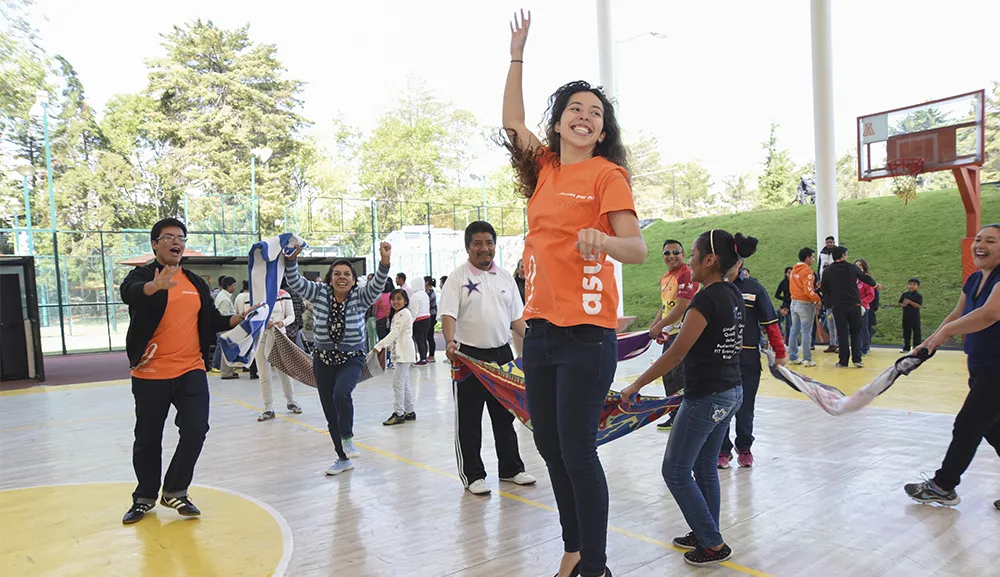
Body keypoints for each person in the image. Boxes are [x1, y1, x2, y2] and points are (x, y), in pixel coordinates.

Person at [500, 11, 648, 577]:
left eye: (595, 113)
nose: (585, 117)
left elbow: (634, 248)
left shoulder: (608, 176)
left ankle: (595, 565)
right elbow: (512, 119)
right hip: (539, 332)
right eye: (574, 110)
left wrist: (603, 240)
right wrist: (517, 56)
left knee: (579, 451)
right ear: (559, 123)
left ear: (603, 130)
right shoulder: (545, 169)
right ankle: (573, 547)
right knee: (551, 448)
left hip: (587, 335)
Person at [623, 230, 757, 566]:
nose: (689, 261)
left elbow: (676, 354)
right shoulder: (732, 293)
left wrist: (634, 386)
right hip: (731, 392)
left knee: (675, 470)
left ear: (710, 260)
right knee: (703, 467)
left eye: (694, 254)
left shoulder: (705, 299)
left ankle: (712, 543)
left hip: (707, 398)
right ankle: (704, 531)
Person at [120, 218, 258, 524]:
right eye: (168, 237)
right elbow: (128, 292)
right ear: (154, 244)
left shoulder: (195, 282)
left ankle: (175, 491)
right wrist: (155, 286)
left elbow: (210, 319)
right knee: (147, 438)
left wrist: (237, 319)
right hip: (150, 371)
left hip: (190, 369)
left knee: (196, 429)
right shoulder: (141, 276)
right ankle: (144, 496)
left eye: (180, 237)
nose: (176, 242)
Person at [904, 224, 1000, 510]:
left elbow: (989, 314)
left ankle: (943, 485)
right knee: (992, 429)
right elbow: (959, 313)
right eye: (979, 239)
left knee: (968, 424)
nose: (980, 244)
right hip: (980, 364)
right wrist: (929, 342)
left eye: (991, 241)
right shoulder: (974, 280)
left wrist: (944, 335)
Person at [440, 221, 535, 495]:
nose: (485, 249)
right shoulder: (458, 277)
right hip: (468, 357)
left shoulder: (505, 276)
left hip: (502, 356)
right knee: (469, 419)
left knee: (506, 415)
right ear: (468, 247)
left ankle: (511, 469)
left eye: (489, 243)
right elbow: (448, 315)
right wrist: (449, 341)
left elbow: (517, 318)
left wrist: (535, 342)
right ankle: (473, 475)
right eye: (478, 244)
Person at [285, 242, 392, 475]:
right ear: (329, 278)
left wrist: (384, 262)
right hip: (322, 361)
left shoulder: (360, 297)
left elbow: (377, 285)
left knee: (342, 393)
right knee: (330, 410)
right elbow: (295, 282)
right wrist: (292, 261)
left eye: (346, 274)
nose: (341, 278)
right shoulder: (320, 292)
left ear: (353, 279)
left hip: (351, 358)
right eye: (337, 274)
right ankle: (343, 457)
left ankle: (348, 437)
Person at [719, 259, 787, 469]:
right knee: (720, 408)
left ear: (738, 262)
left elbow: (770, 323)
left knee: (745, 407)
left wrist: (780, 351)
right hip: (719, 362)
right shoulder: (713, 287)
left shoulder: (754, 288)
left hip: (748, 362)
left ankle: (745, 447)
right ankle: (722, 449)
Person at [648, 239, 698, 431]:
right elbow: (665, 307)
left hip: (683, 334)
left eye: (675, 252)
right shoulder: (666, 277)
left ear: (683, 254)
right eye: (667, 253)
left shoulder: (687, 274)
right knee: (668, 375)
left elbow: (682, 306)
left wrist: (659, 326)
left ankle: (685, 418)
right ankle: (675, 416)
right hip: (670, 335)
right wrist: (654, 327)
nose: (671, 256)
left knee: (680, 376)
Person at [819, 247, 876, 368]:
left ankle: (843, 361)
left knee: (842, 333)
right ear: (843, 255)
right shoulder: (852, 267)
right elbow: (865, 277)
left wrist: (831, 295)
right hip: (854, 303)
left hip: (838, 305)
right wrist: (875, 284)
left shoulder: (828, 271)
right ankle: (857, 359)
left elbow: (824, 289)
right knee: (855, 332)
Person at [256, 285, 302, 421]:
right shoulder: (255, 295)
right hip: (261, 339)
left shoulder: (284, 294)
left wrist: (283, 322)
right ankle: (268, 408)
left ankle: (291, 401)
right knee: (264, 374)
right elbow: (248, 317)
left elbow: (292, 315)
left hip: (280, 338)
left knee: (284, 372)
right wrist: (263, 323)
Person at [375, 289, 416, 425]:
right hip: (402, 352)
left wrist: (380, 345)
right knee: (404, 383)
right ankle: (409, 411)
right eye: (393, 299)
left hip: (403, 353)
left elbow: (395, 333)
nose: (395, 302)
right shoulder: (400, 314)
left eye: (399, 299)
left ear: (405, 300)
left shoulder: (403, 314)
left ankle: (398, 414)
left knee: (398, 383)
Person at [788, 248, 821, 366]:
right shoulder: (807, 271)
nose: (813, 259)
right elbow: (808, 290)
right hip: (805, 303)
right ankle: (807, 358)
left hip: (794, 302)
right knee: (806, 331)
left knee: (794, 330)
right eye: (812, 257)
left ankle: (792, 356)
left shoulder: (793, 271)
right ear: (807, 257)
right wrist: (817, 299)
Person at [213, 276, 239, 379]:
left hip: (226, 328)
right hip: (225, 329)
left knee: (226, 350)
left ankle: (229, 371)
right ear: (228, 286)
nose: (235, 287)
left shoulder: (224, 296)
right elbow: (224, 316)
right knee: (226, 350)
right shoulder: (224, 299)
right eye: (233, 285)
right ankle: (226, 373)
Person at [854, 258, 876, 355]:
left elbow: (871, 295)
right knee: (855, 328)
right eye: (856, 265)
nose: (857, 267)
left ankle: (865, 347)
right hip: (854, 306)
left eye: (859, 265)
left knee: (863, 327)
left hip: (863, 307)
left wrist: (861, 303)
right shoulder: (854, 278)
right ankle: (857, 347)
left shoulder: (866, 279)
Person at [900, 278, 923, 352]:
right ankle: (906, 347)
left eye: (914, 284)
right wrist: (903, 304)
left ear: (917, 287)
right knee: (906, 332)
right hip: (906, 316)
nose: (911, 286)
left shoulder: (918, 296)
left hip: (915, 317)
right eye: (910, 284)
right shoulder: (904, 294)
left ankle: (916, 348)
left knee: (916, 333)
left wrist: (910, 302)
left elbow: (919, 306)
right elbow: (900, 303)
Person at [774, 266, 792, 342]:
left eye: (792, 272)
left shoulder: (795, 282)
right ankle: (787, 340)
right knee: (788, 323)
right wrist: (784, 298)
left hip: (795, 303)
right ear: (785, 273)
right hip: (787, 305)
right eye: (789, 272)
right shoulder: (783, 283)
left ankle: (793, 340)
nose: (790, 274)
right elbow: (777, 294)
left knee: (794, 323)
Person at [424, 276, 438, 363]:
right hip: (430, 315)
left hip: (431, 316)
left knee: (430, 336)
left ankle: (432, 355)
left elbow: (428, 305)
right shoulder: (427, 292)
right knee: (428, 336)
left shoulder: (429, 293)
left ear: (427, 283)